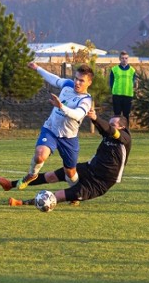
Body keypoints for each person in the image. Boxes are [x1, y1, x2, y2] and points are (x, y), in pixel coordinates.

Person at [0, 109, 131, 206]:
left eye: (113, 124)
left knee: (58, 195)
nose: (110, 126)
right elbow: (104, 128)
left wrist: (96, 118)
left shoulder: (125, 137)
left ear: (123, 127)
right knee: (52, 176)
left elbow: (110, 130)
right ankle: (9, 184)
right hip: (89, 168)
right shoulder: (108, 133)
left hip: (101, 182)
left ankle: (21, 203)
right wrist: (92, 116)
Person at [15, 62, 94, 190]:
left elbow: (78, 115)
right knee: (40, 154)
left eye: (81, 80)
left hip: (69, 138)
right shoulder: (68, 85)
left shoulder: (86, 100)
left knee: (70, 173)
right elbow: (54, 79)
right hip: (51, 130)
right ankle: (32, 174)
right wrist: (38, 68)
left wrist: (61, 106)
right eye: (76, 78)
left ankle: (76, 193)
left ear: (89, 83)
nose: (77, 83)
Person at [110, 51, 136, 127]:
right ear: (119, 59)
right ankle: (116, 130)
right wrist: (113, 90)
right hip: (117, 95)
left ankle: (126, 131)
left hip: (128, 95)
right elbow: (111, 82)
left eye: (126, 58)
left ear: (128, 59)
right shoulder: (114, 69)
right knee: (117, 114)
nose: (124, 60)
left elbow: (133, 82)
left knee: (126, 115)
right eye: (122, 58)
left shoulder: (132, 70)